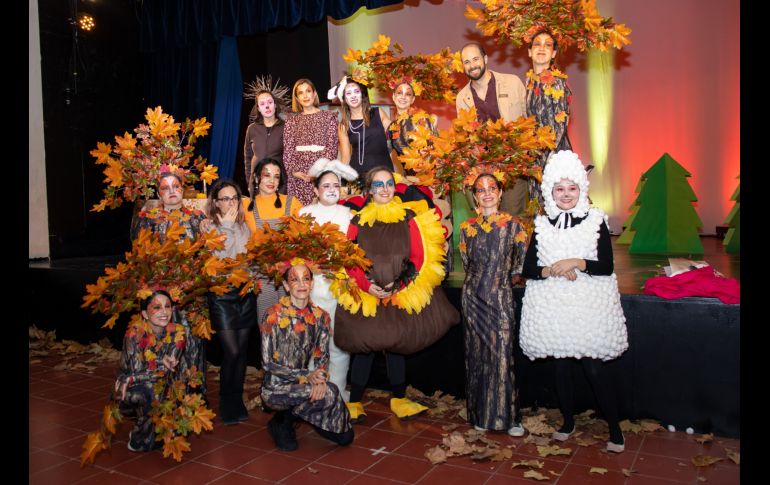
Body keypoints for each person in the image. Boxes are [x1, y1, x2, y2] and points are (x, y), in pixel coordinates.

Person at [520, 150, 628, 453]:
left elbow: (605, 266)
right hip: (555, 307)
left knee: (593, 368)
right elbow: (528, 269)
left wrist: (577, 262)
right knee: (561, 367)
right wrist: (551, 269)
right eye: (559, 188)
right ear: (550, 191)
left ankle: (615, 428)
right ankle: (568, 422)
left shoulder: (595, 221)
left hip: (586, 307)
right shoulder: (542, 224)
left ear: (581, 189)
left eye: (571, 188)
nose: (566, 194)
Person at [334, 166, 461, 422]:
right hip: (367, 294)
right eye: (378, 184)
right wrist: (366, 285)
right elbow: (349, 258)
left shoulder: (409, 218)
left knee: (396, 345)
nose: (384, 189)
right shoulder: (357, 221)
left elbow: (419, 256)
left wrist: (399, 285)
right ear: (369, 190)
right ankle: (355, 400)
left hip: (398, 293)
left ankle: (399, 399)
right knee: (364, 347)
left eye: (388, 183)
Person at [459, 173, 528, 437]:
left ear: (500, 193)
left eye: (492, 188)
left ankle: (510, 418)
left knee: (502, 357)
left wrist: (500, 283)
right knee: (477, 357)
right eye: (481, 189)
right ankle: (482, 414)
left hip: (500, 299)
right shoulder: (466, 228)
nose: (487, 193)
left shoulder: (514, 226)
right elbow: (467, 263)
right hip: (472, 299)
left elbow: (520, 266)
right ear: (475, 196)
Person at [129, 172, 208, 399]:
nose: (172, 191)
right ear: (158, 193)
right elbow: (140, 257)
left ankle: (194, 395)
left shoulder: (197, 218)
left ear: (183, 189)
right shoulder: (147, 219)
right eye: (165, 187)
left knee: (192, 344)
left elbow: (207, 256)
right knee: (163, 344)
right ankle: (164, 397)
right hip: (161, 296)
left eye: (176, 186)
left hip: (191, 296)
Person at [260, 262, 354, 451]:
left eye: (306, 279)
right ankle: (282, 422)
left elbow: (322, 356)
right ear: (286, 286)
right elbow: (267, 363)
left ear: (312, 283)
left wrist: (319, 379)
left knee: (346, 437)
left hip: (304, 384)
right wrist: (306, 376)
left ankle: (294, 415)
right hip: (275, 389)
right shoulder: (272, 315)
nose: (302, 284)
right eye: (295, 280)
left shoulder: (321, 316)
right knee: (328, 392)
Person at [299, 158, 358, 401]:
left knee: (338, 343)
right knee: (311, 341)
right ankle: (313, 391)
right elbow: (297, 251)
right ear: (315, 189)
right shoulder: (304, 214)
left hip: (339, 289)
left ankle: (337, 392)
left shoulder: (349, 214)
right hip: (311, 290)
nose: (332, 189)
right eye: (326, 185)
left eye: (336, 185)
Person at [205, 180, 257, 425]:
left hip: (244, 294)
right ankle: (226, 399)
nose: (230, 203)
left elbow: (246, 259)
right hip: (221, 294)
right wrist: (225, 226)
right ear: (216, 203)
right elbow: (221, 260)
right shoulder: (209, 228)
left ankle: (237, 398)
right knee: (232, 351)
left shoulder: (244, 227)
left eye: (234, 198)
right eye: (224, 199)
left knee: (242, 351)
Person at [456, 42, 528, 217]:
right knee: (488, 221)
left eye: (475, 59)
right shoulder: (462, 98)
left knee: (514, 218)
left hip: (513, 165)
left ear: (485, 59)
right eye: (467, 62)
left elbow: (530, 120)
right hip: (484, 171)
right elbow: (465, 138)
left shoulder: (512, 83)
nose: (472, 65)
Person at [115, 290, 185, 452]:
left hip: (165, 386)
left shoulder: (178, 331)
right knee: (148, 389)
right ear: (145, 314)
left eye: (168, 306)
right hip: (130, 391)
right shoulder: (134, 333)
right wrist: (161, 363)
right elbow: (136, 373)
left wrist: (162, 365)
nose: (164, 312)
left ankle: (157, 427)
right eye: (157, 307)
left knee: (163, 387)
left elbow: (170, 368)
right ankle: (139, 435)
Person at [249, 158, 303, 323]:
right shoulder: (245, 206)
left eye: (276, 176)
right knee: (267, 324)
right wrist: (205, 221)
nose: (272, 180)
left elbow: (304, 237)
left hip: (289, 275)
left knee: (293, 324)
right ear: (256, 178)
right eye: (267, 175)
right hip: (262, 277)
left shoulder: (292, 203)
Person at [525, 30, 573, 209]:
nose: (542, 48)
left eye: (548, 45)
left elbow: (560, 123)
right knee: (539, 207)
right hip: (535, 156)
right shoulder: (530, 82)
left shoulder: (556, 81)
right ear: (529, 51)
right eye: (537, 44)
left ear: (553, 54)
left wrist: (548, 159)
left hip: (554, 156)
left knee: (557, 205)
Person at [282, 78, 339, 205]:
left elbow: (332, 147)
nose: (305, 95)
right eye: (300, 93)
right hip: (298, 178)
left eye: (308, 91)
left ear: (314, 93)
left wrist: (319, 171)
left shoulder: (329, 117)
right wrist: (294, 172)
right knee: (299, 215)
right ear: (297, 98)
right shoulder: (291, 121)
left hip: (322, 175)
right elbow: (288, 150)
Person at [334, 77, 393, 176]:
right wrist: (340, 179)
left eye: (356, 91)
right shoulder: (343, 125)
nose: (353, 96)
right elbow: (345, 157)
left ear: (362, 94)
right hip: (359, 175)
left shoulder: (378, 113)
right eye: (348, 93)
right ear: (344, 99)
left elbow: (394, 133)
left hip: (384, 173)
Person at [243, 76, 289, 197]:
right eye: (262, 104)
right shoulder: (252, 129)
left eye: (270, 102)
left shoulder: (286, 127)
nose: (267, 106)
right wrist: (249, 181)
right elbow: (248, 157)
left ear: (275, 105)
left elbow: (290, 157)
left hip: (279, 183)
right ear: (258, 108)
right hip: (257, 185)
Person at [387, 81, 438, 166]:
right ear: (393, 96)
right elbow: (384, 153)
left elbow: (431, 152)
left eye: (408, 94)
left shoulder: (421, 119)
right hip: (407, 174)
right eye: (399, 93)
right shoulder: (392, 127)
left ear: (412, 99)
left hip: (427, 171)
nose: (403, 97)